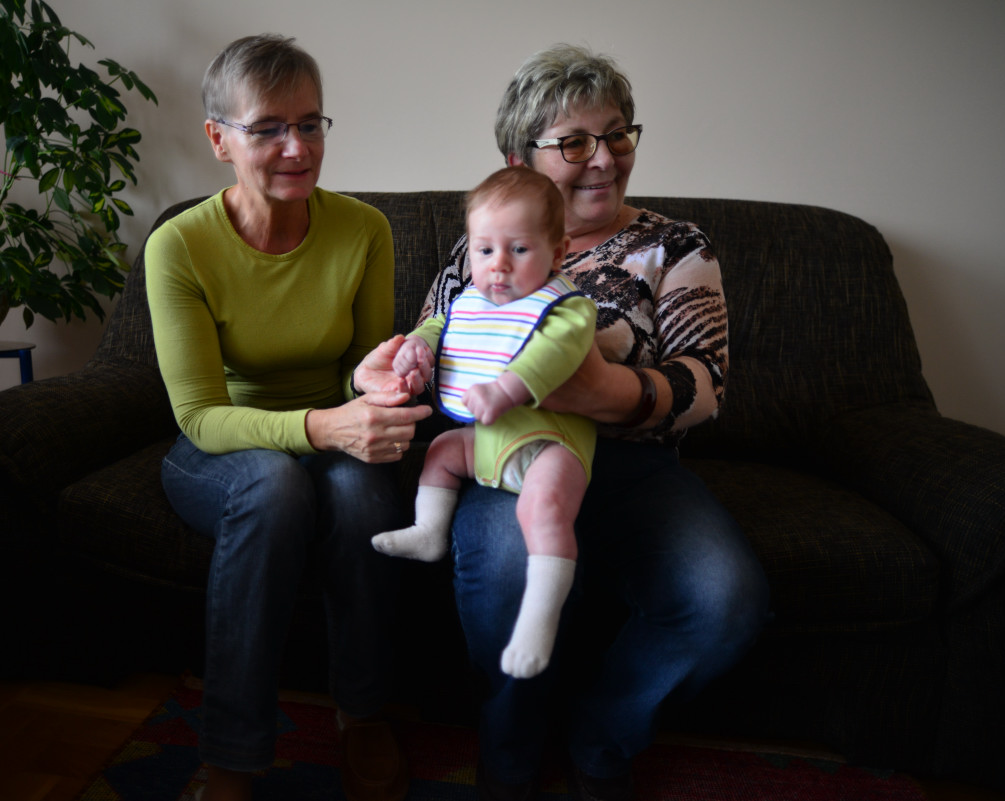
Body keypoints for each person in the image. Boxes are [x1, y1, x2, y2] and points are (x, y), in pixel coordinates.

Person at [417, 44, 770, 801]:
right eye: (574, 142)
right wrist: (400, 364)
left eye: (616, 135)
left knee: (725, 598)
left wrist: (602, 390)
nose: (605, 159)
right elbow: (437, 340)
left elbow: (705, 386)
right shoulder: (484, 243)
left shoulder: (675, 245)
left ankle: (602, 735)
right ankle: (509, 760)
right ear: (519, 159)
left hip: (635, 468)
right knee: (505, 568)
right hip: (510, 456)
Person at [144, 34, 430, 801]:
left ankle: (362, 714)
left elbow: (357, 370)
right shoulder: (179, 246)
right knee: (274, 486)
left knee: (362, 490)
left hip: (330, 431)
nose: (297, 147)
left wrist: (374, 381)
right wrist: (324, 426)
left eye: (309, 124)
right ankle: (231, 758)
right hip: (221, 447)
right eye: (268, 128)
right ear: (219, 139)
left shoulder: (364, 230)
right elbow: (201, 415)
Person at [373, 166, 596, 681]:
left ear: (557, 253)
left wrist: (505, 390)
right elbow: (439, 326)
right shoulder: (470, 303)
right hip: (487, 442)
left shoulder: (566, 308)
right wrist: (416, 349)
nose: (499, 265)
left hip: (549, 444)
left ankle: (538, 620)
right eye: (485, 250)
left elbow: (555, 353)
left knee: (544, 509)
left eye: (518, 249)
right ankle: (429, 532)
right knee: (440, 452)